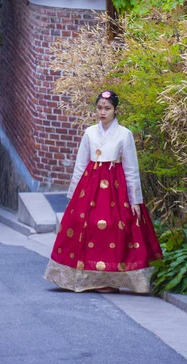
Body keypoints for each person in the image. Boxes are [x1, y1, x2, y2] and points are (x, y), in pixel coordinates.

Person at [43, 90, 162, 293]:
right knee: (85, 225)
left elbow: (131, 168)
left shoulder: (125, 134)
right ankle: (87, 277)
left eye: (107, 108)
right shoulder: (90, 132)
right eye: (99, 108)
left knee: (114, 227)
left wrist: (135, 200)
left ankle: (111, 278)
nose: (102, 112)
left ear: (115, 110)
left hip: (115, 187)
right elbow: (80, 165)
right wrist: (73, 196)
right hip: (90, 185)